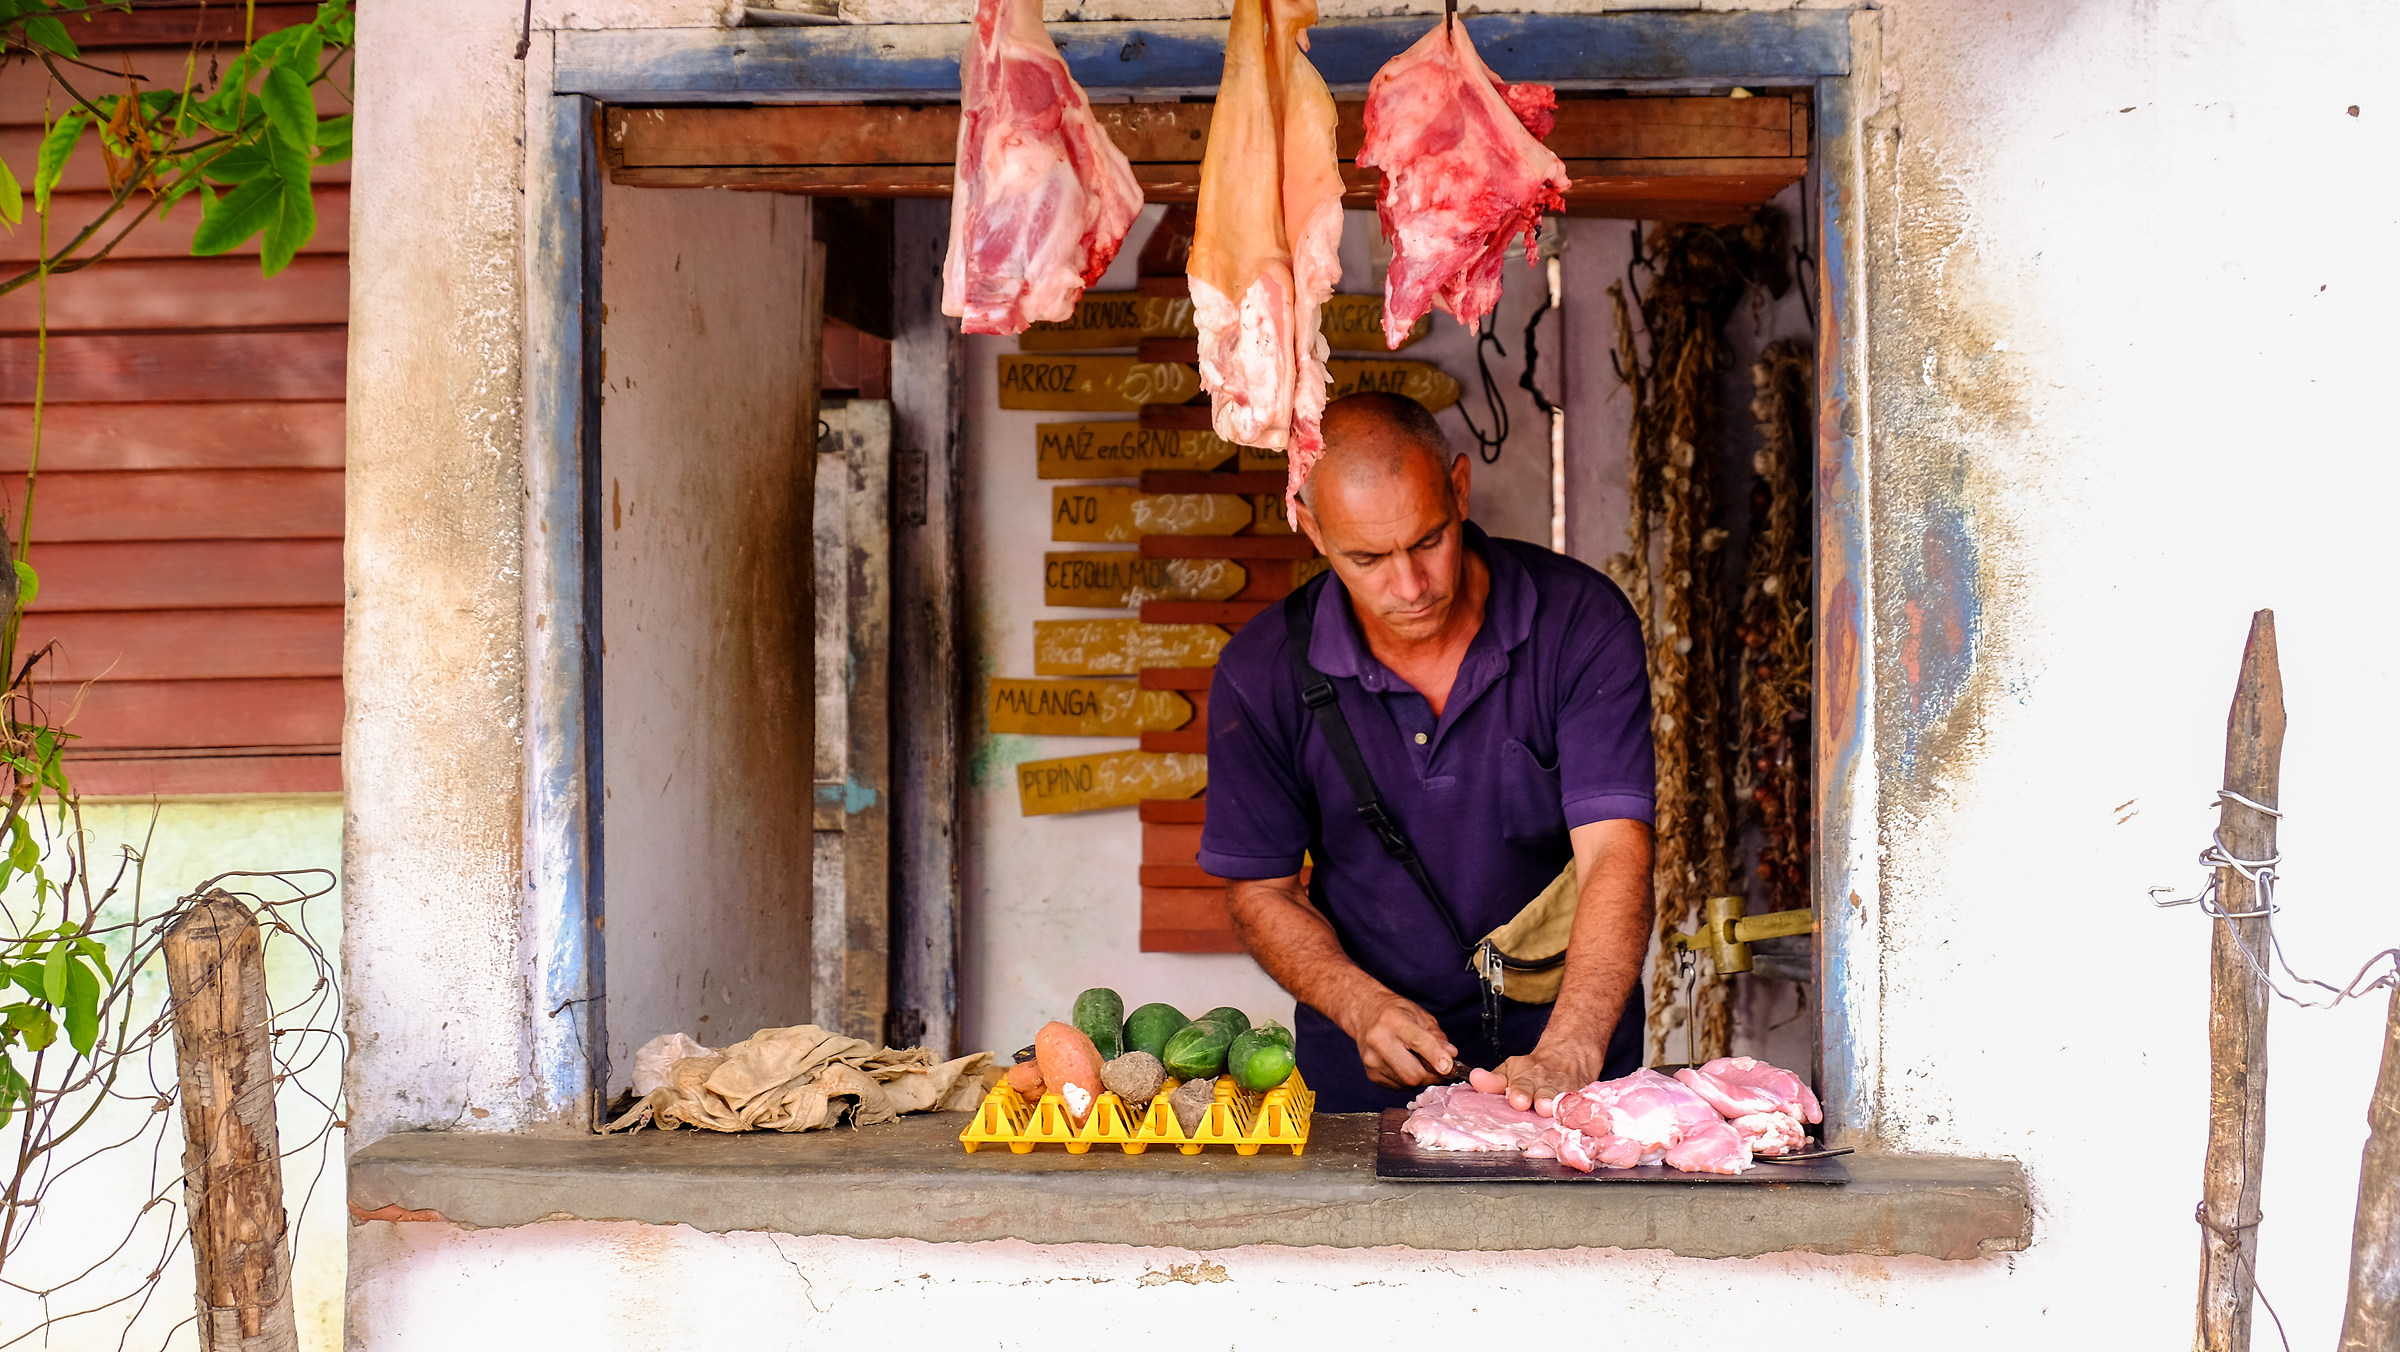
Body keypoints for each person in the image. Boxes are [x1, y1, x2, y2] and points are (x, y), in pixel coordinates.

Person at [1197, 392, 1656, 1114]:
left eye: (1429, 540)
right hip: (1366, 1068)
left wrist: (1572, 1044)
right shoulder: (1262, 672)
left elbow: (1614, 852)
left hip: (1571, 1054)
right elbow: (1264, 891)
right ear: (1311, 528)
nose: (1409, 586)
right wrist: (1358, 1006)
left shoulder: (1579, 622)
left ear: (1461, 491)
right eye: (1368, 558)